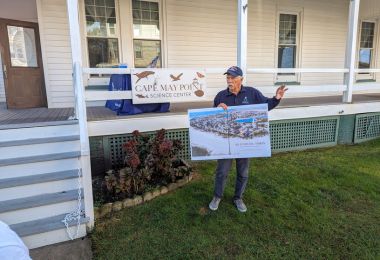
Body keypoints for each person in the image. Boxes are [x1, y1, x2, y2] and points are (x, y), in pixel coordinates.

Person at [209, 66, 287, 213]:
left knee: (243, 172)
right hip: (226, 141)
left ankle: (238, 198)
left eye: (232, 78)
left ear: (241, 79)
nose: (229, 80)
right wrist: (217, 108)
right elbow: (212, 117)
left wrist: (277, 98)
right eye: (228, 78)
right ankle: (217, 196)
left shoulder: (252, 93)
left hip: (245, 140)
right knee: (222, 172)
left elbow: (266, 105)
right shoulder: (220, 96)